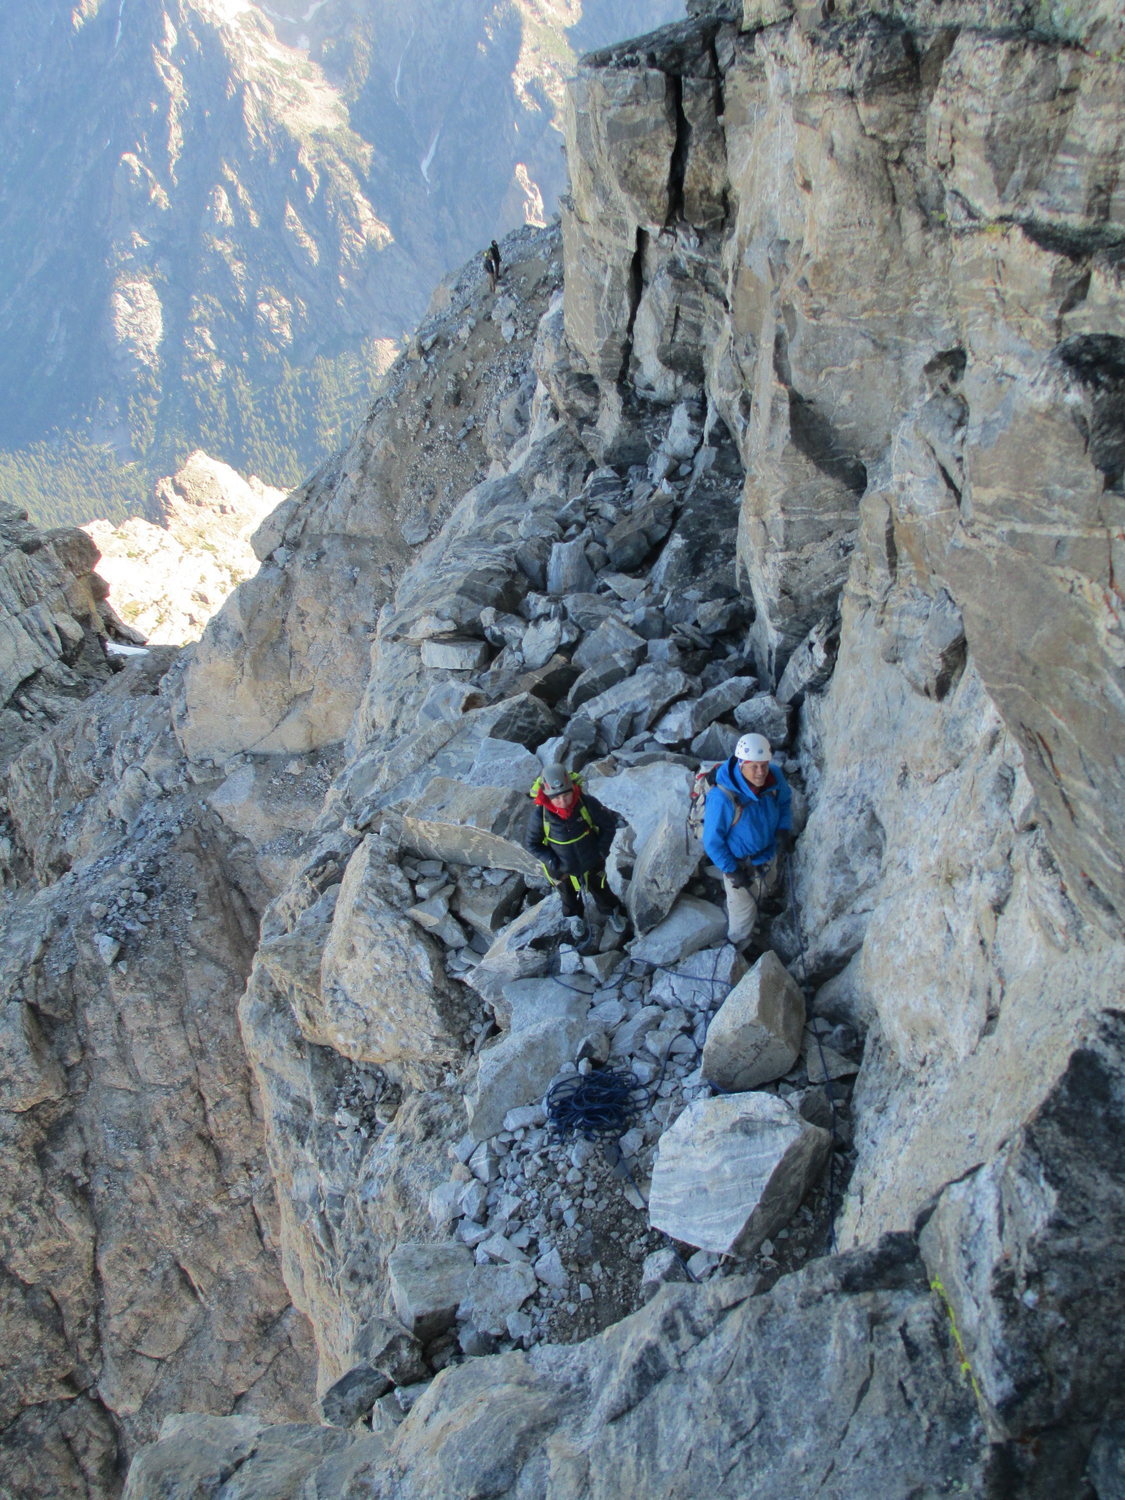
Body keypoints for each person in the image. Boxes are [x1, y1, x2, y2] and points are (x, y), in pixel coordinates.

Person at [702, 732, 793, 953]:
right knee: (742, 914)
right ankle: (738, 947)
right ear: (741, 765)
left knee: (766, 886)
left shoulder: (775, 777)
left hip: (768, 852)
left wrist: (783, 829)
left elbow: (785, 803)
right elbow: (712, 842)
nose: (761, 772)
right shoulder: (722, 798)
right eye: (754, 767)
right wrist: (731, 870)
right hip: (740, 864)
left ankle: (761, 904)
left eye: (764, 765)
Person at [525, 762, 627, 942]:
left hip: (592, 859)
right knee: (568, 896)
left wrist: (601, 851)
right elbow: (532, 844)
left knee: (601, 889)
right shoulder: (540, 815)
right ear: (548, 797)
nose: (563, 802)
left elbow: (607, 826)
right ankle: (575, 919)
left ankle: (612, 913)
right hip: (560, 868)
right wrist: (551, 860)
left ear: (573, 789)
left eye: (566, 795)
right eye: (557, 798)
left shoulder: (586, 804)